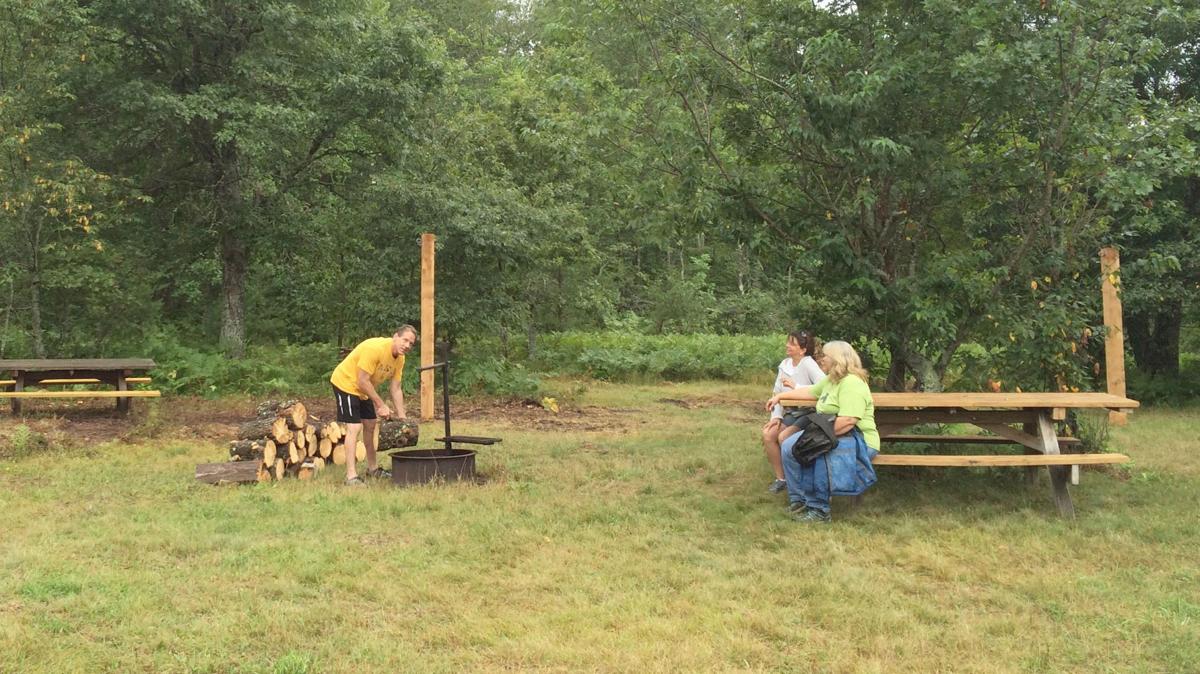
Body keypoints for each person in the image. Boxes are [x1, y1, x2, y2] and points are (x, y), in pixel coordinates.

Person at [766, 340, 880, 523]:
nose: (820, 360)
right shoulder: (832, 380)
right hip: (833, 433)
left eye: (824, 356)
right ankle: (799, 499)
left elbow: (848, 421)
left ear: (836, 359)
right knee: (788, 445)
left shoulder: (852, 383)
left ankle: (820, 510)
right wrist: (780, 396)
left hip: (858, 439)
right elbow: (810, 392)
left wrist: (813, 438)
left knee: (814, 452)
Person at [330, 326, 417, 486]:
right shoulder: (375, 348)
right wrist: (381, 404)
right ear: (395, 336)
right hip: (346, 383)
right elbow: (362, 380)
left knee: (370, 424)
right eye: (405, 340)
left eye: (411, 343)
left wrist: (402, 416)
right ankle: (351, 477)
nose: (407, 345)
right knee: (354, 428)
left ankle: (373, 469)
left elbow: (395, 388)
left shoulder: (400, 358)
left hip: (363, 388)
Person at [762, 331, 825, 493]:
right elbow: (777, 392)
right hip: (790, 412)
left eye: (792, 343)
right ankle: (781, 478)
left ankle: (798, 481)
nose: (787, 346)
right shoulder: (785, 364)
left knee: (785, 438)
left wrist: (796, 387)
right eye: (788, 342)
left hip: (809, 413)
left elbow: (824, 386)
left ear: (803, 349)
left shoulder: (808, 364)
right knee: (768, 434)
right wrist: (776, 416)